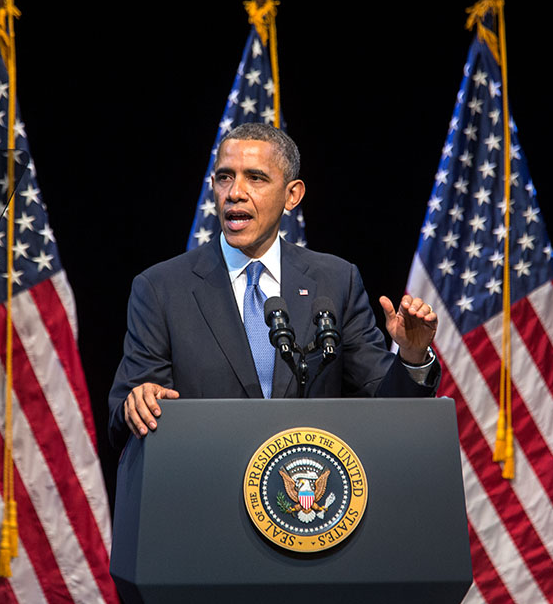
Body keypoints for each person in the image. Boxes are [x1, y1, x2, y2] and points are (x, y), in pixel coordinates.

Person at [108, 123, 439, 449]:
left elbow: (384, 404)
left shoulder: (336, 281)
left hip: (311, 494)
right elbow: (128, 409)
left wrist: (412, 356)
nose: (235, 192)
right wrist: (137, 402)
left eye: (255, 177)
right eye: (225, 177)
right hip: (207, 488)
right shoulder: (161, 289)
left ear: (291, 195)